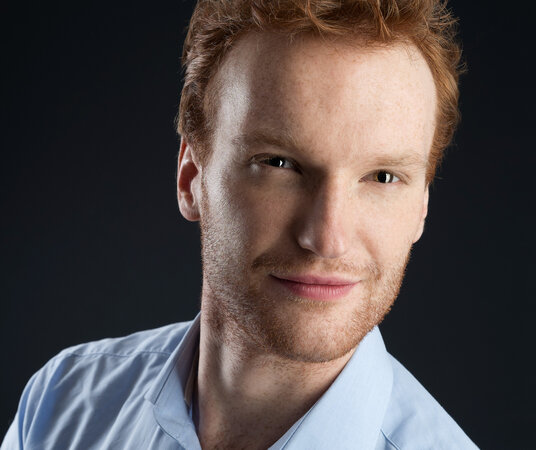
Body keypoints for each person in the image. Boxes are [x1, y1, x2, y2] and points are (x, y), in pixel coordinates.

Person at [2, 0, 478, 448]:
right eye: (279, 164)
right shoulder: (59, 408)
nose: (327, 239)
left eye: (383, 176)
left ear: (422, 206)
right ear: (191, 176)